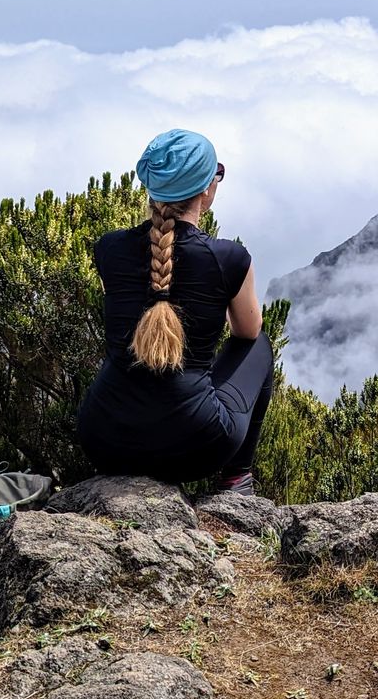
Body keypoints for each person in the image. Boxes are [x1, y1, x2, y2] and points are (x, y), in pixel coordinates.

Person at [76, 127, 274, 492]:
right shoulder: (229, 258)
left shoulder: (109, 248)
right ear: (205, 189)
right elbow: (247, 332)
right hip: (195, 447)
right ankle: (237, 477)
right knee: (258, 345)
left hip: (104, 442)